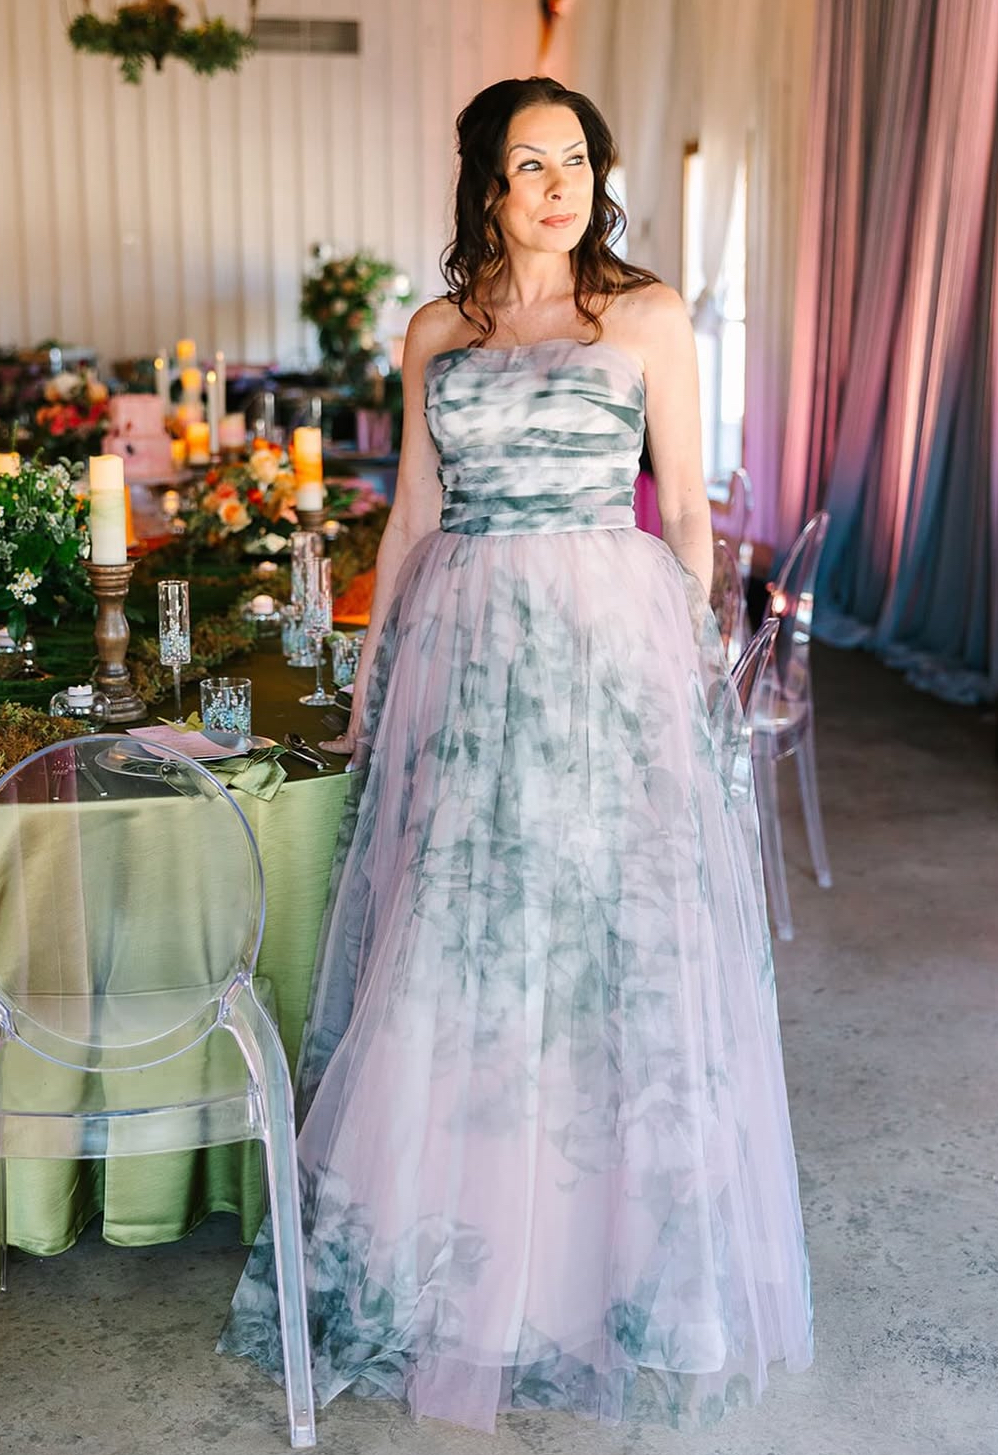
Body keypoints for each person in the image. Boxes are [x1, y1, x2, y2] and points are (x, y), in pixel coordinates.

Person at [219, 75, 813, 1433]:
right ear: (484, 183)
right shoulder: (437, 327)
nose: (558, 186)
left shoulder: (646, 314)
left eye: (576, 161)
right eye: (527, 163)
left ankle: (620, 1263)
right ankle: (455, 1253)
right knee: (462, 932)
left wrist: (692, 679)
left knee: (606, 939)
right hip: (462, 649)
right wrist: (373, 671)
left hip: (605, 650)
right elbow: (412, 512)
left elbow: (685, 521)